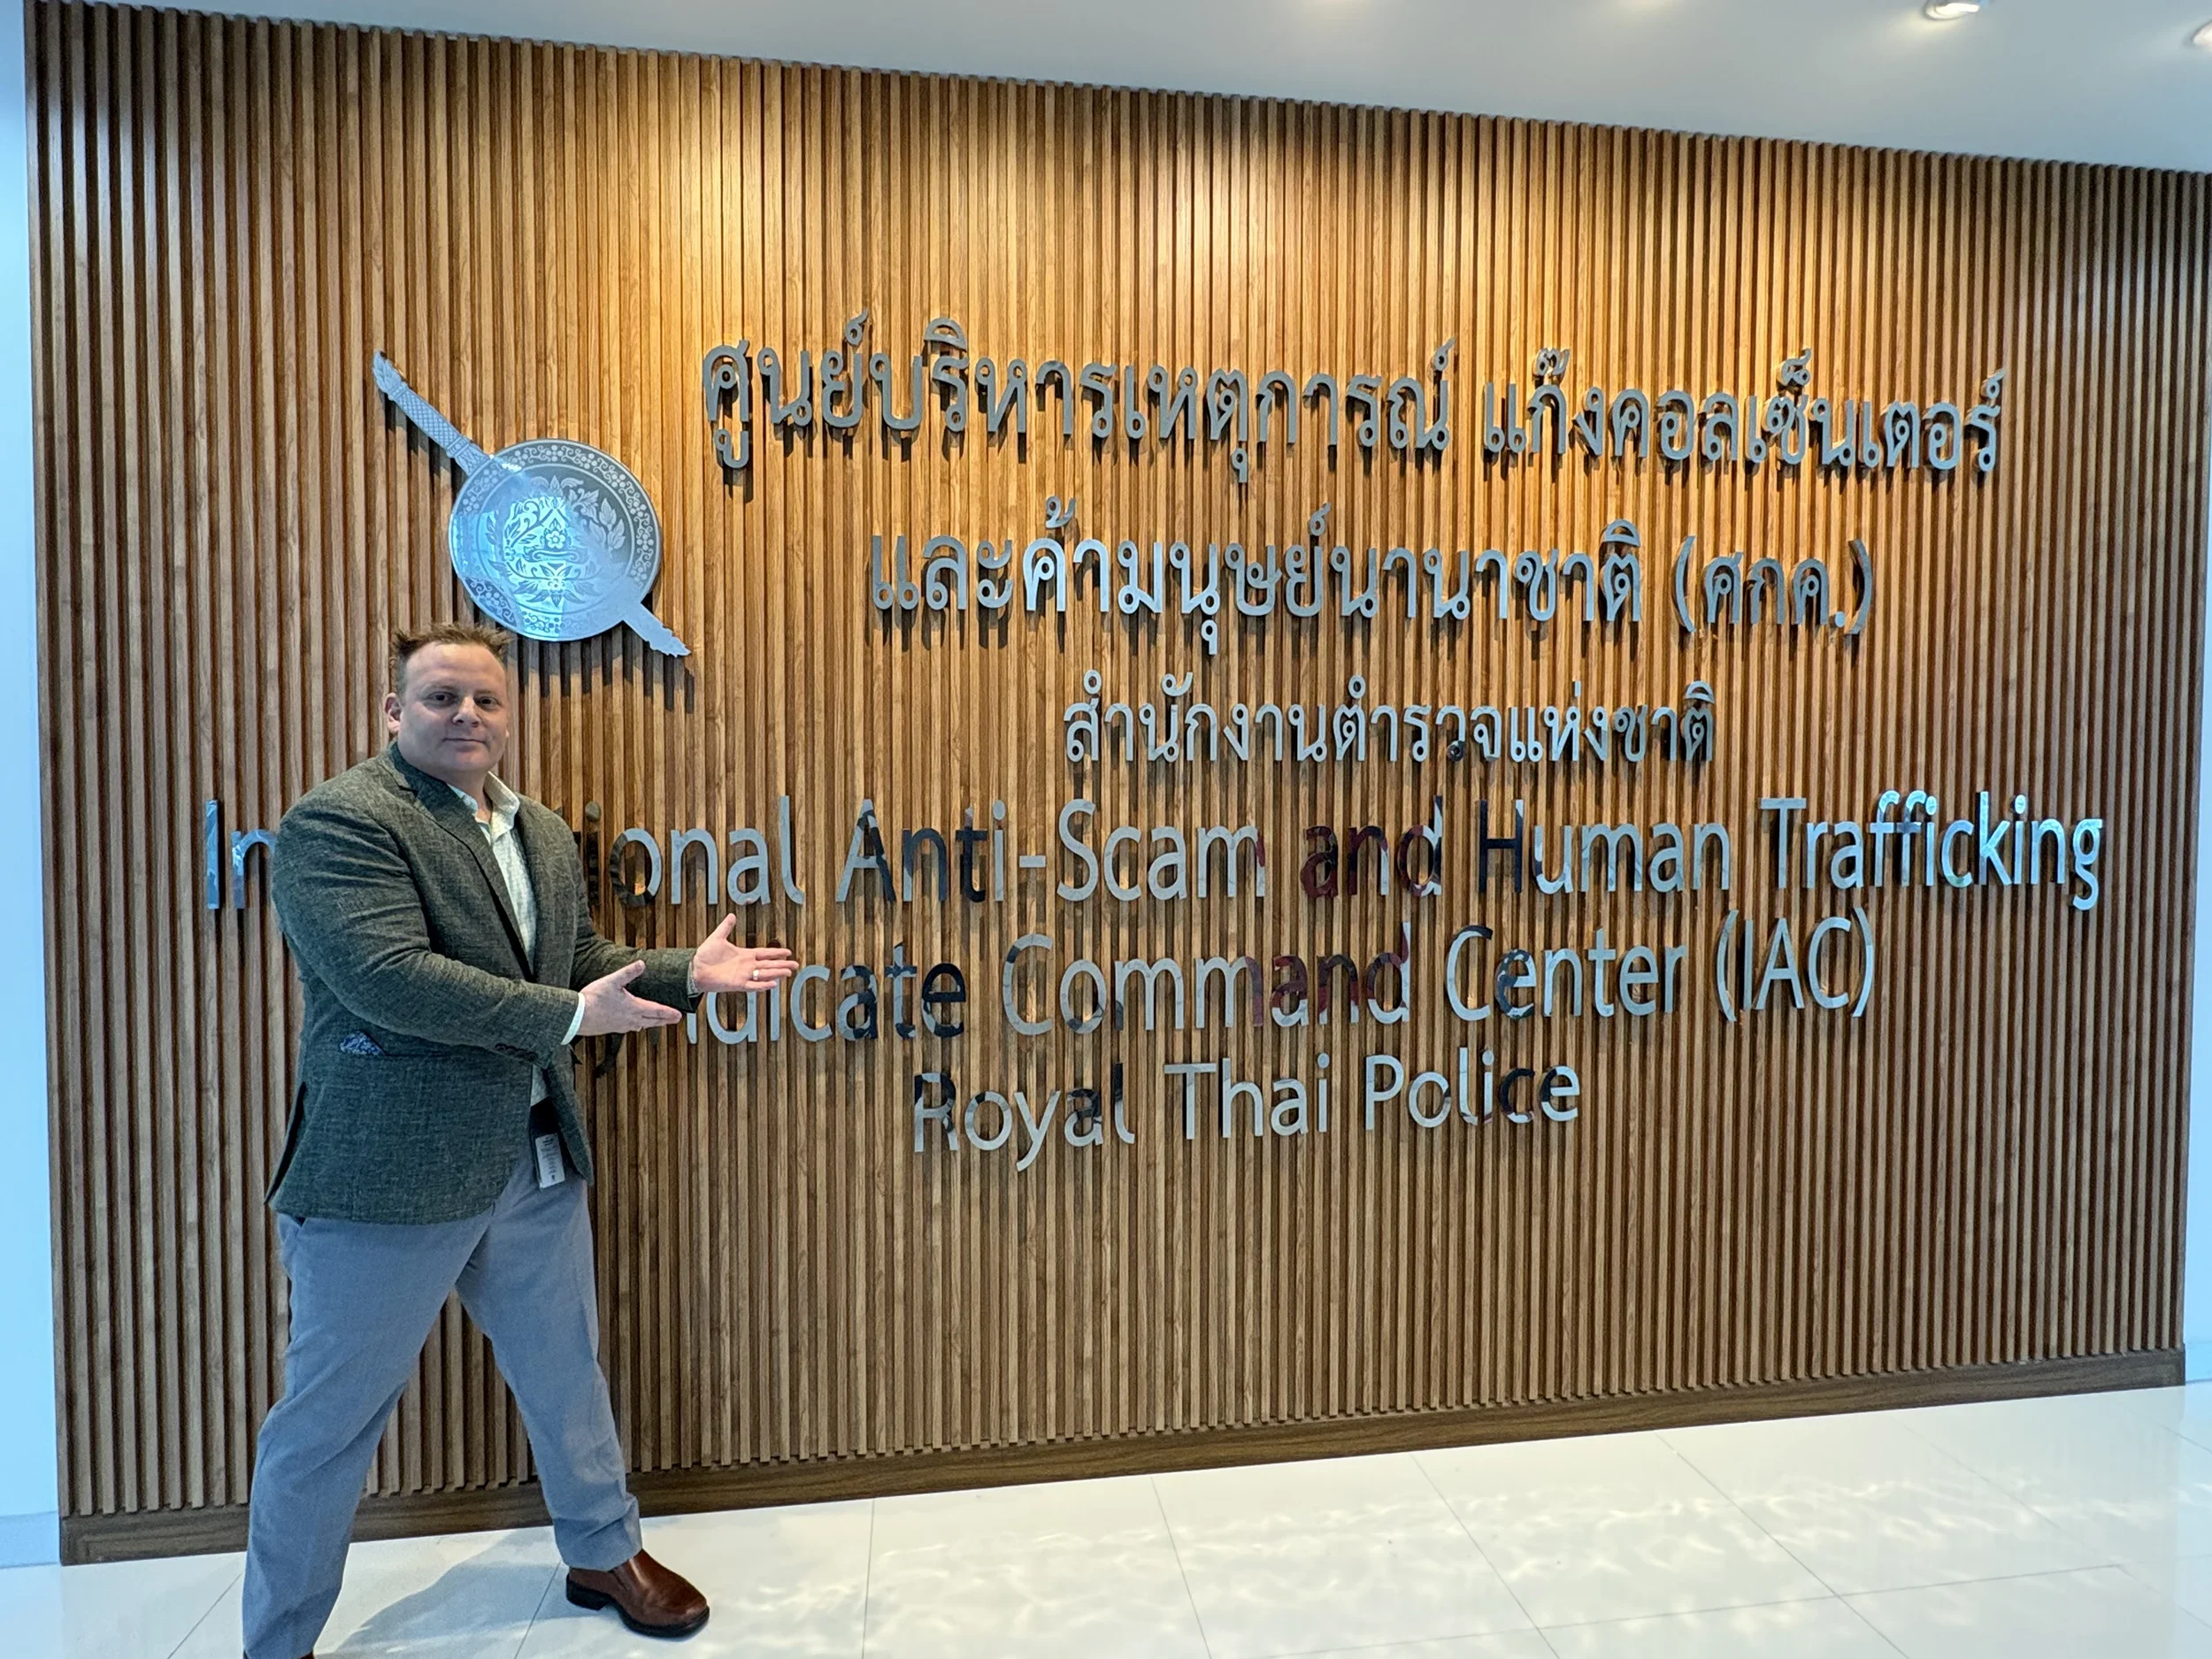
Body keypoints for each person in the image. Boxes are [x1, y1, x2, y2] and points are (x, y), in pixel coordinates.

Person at [242, 621, 797, 1657]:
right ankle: (278, 1640)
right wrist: (572, 1019)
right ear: (393, 713)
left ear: (508, 715)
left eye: (486, 701)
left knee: (565, 1372)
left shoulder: (535, 829)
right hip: (388, 1175)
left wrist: (684, 971)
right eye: (442, 698)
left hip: (531, 1154)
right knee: (326, 1425)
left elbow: (571, 958)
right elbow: (388, 979)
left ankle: (601, 1551)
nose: (467, 716)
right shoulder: (341, 821)